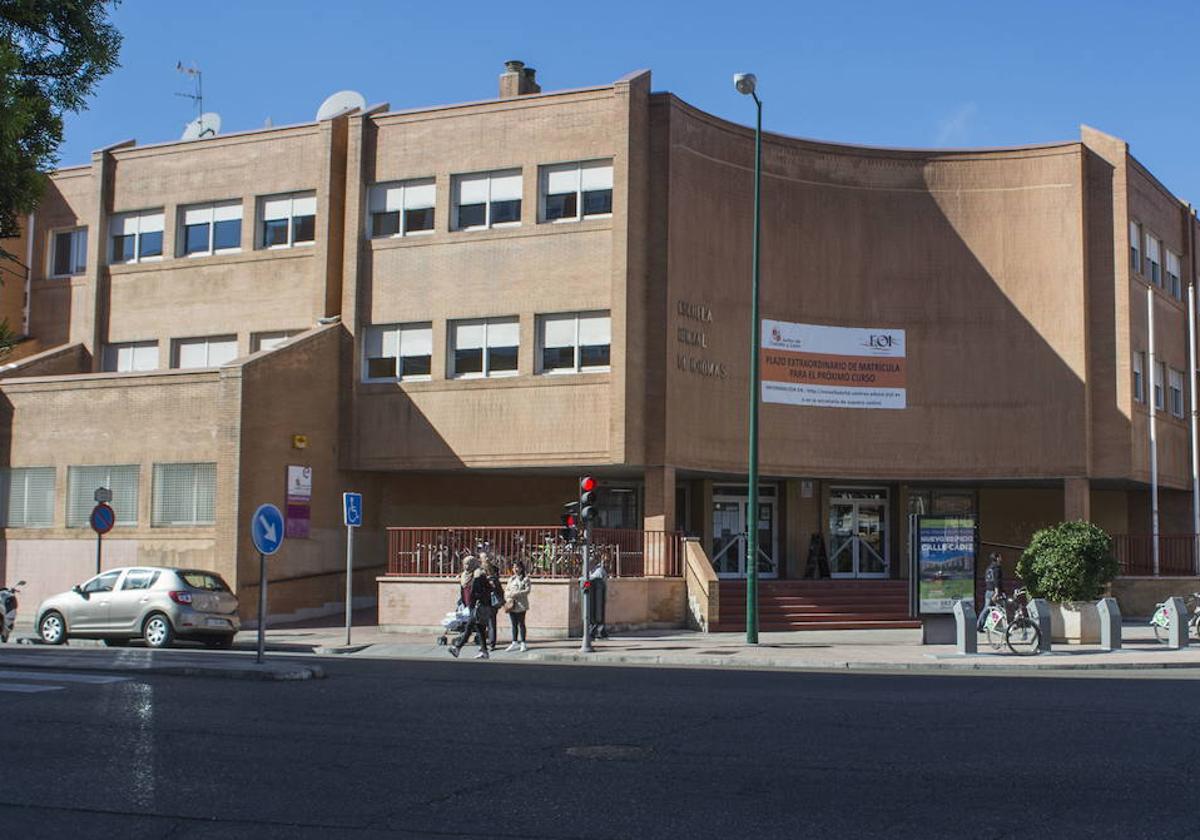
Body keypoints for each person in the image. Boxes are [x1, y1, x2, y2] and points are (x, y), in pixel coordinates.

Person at [450, 557, 493, 659]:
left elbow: (487, 589)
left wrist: (479, 597)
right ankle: (484, 652)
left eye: (468, 564)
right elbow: (463, 591)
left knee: (469, 627)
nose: (466, 566)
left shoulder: (479, 574)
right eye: (465, 564)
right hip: (470, 606)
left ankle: (457, 648)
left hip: (479, 605)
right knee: (480, 629)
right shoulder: (464, 576)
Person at [504, 560, 532, 652]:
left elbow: (527, 590)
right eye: (514, 567)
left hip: (521, 605)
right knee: (513, 624)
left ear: (521, 568)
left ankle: (523, 642)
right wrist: (509, 595)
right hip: (512, 604)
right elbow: (506, 590)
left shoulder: (525, 579)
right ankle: (514, 642)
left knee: (521, 624)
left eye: (517, 567)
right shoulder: (511, 579)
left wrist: (516, 593)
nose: (515, 569)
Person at [976, 552, 1004, 632]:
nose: (1001, 558)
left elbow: (987, 580)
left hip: (988, 591)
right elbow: (996, 581)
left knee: (987, 609)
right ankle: (996, 628)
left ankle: (981, 625)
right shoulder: (997, 568)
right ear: (997, 558)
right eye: (1000, 556)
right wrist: (996, 592)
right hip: (994, 592)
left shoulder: (989, 568)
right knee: (1000, 609)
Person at [480, 555, 503, 652]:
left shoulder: (485, 579)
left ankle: (487, 644)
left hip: (486, 603)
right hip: (492, 604)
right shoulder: (495, 579)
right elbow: (500, 591)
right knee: (491, 623)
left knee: (485, 624)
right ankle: (491, 643)